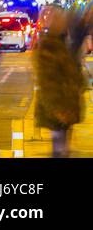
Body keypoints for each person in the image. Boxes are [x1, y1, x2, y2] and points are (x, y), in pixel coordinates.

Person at [34, 11, 86, 158]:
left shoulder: (64, 43)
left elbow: (72, 72)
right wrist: (58, 110)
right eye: (60, 21)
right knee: (59, 149)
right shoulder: (50, 47)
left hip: (65, 107)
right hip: (57, 110)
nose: (63, 24)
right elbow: (48, 83)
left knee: (63, 149)